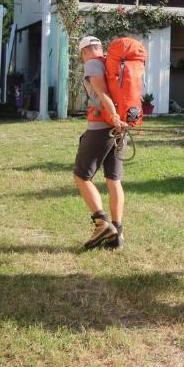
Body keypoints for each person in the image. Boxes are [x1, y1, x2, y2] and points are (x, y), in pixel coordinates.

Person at [73, 35, 127, 250]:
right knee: (113, 180)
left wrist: (112, 115)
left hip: (102, 126)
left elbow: (102, 93)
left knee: (81, 176)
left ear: (85, 51)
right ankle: (116, 234)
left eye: (81, 55)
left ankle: (101, 223)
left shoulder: (93, 63)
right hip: (120, 128)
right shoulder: (113, 64)